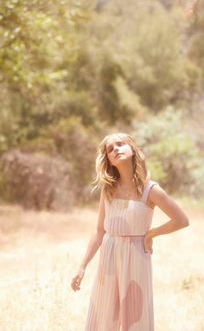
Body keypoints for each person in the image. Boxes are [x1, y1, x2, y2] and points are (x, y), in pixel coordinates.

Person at [71, 132, 190, 331]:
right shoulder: (108, 189)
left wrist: (151, 233)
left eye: (120, 144)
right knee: (103, 315)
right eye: (110, 148)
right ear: (108, 159)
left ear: (133, 150)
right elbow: (100, 231)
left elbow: (181, 220)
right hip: (109, 256)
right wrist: (82, 266)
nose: (116, 149)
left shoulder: (150, 190)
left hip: (136, 257)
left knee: (136, 317)